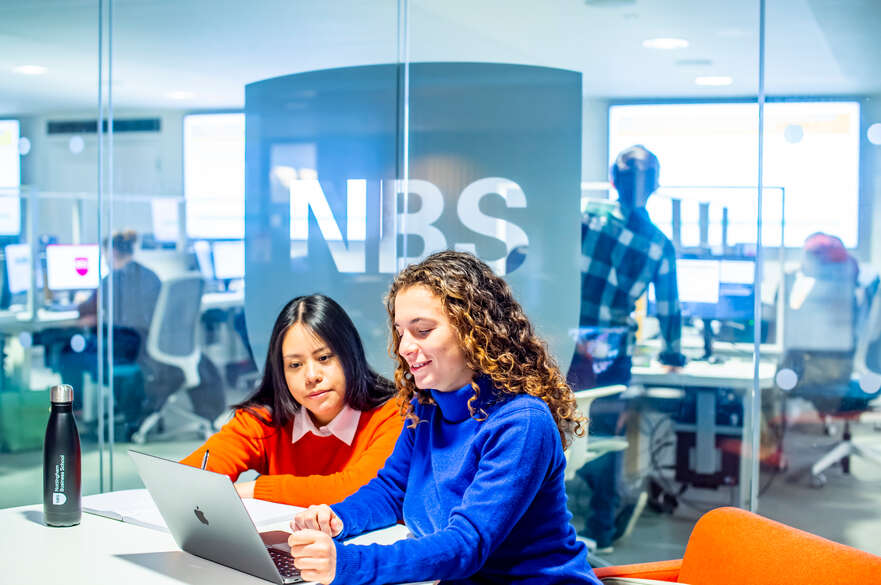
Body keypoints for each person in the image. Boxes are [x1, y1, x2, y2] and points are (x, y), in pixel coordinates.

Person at [285, 251, 602, 585]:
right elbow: (392, 489)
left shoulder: (521, 422)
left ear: (475, 332)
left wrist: (349, 563)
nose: (404, 347)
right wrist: (337, 518)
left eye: (422, 330)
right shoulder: (428, 407)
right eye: (400, 332)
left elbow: (467, 544)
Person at [569, 144, 686, 552]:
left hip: (564, 338)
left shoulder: (588, 216)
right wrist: (672, 352)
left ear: (613, 180)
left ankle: (557, 523)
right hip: (609, 349)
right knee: (602, 435)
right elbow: (669, 306)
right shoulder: (659, 242)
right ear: (656, 186)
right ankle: (600, 529)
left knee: (558, 430)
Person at [180, 294, 403, 506]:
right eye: (295, 365)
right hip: (286, 544)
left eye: (324, 358)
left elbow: (359, 488)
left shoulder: (394, 414)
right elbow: (188, 478)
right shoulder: (265, 418)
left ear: (350, 356)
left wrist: (253, 490)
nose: (311, 376)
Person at [57, 229, 161, 420]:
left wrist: (82, 305)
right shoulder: (151, 276)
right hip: (149, 348)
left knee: (67, 353)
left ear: (111, 252)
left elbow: (87, 310)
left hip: (122, 350)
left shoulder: (111, 280)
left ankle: (77, 410)